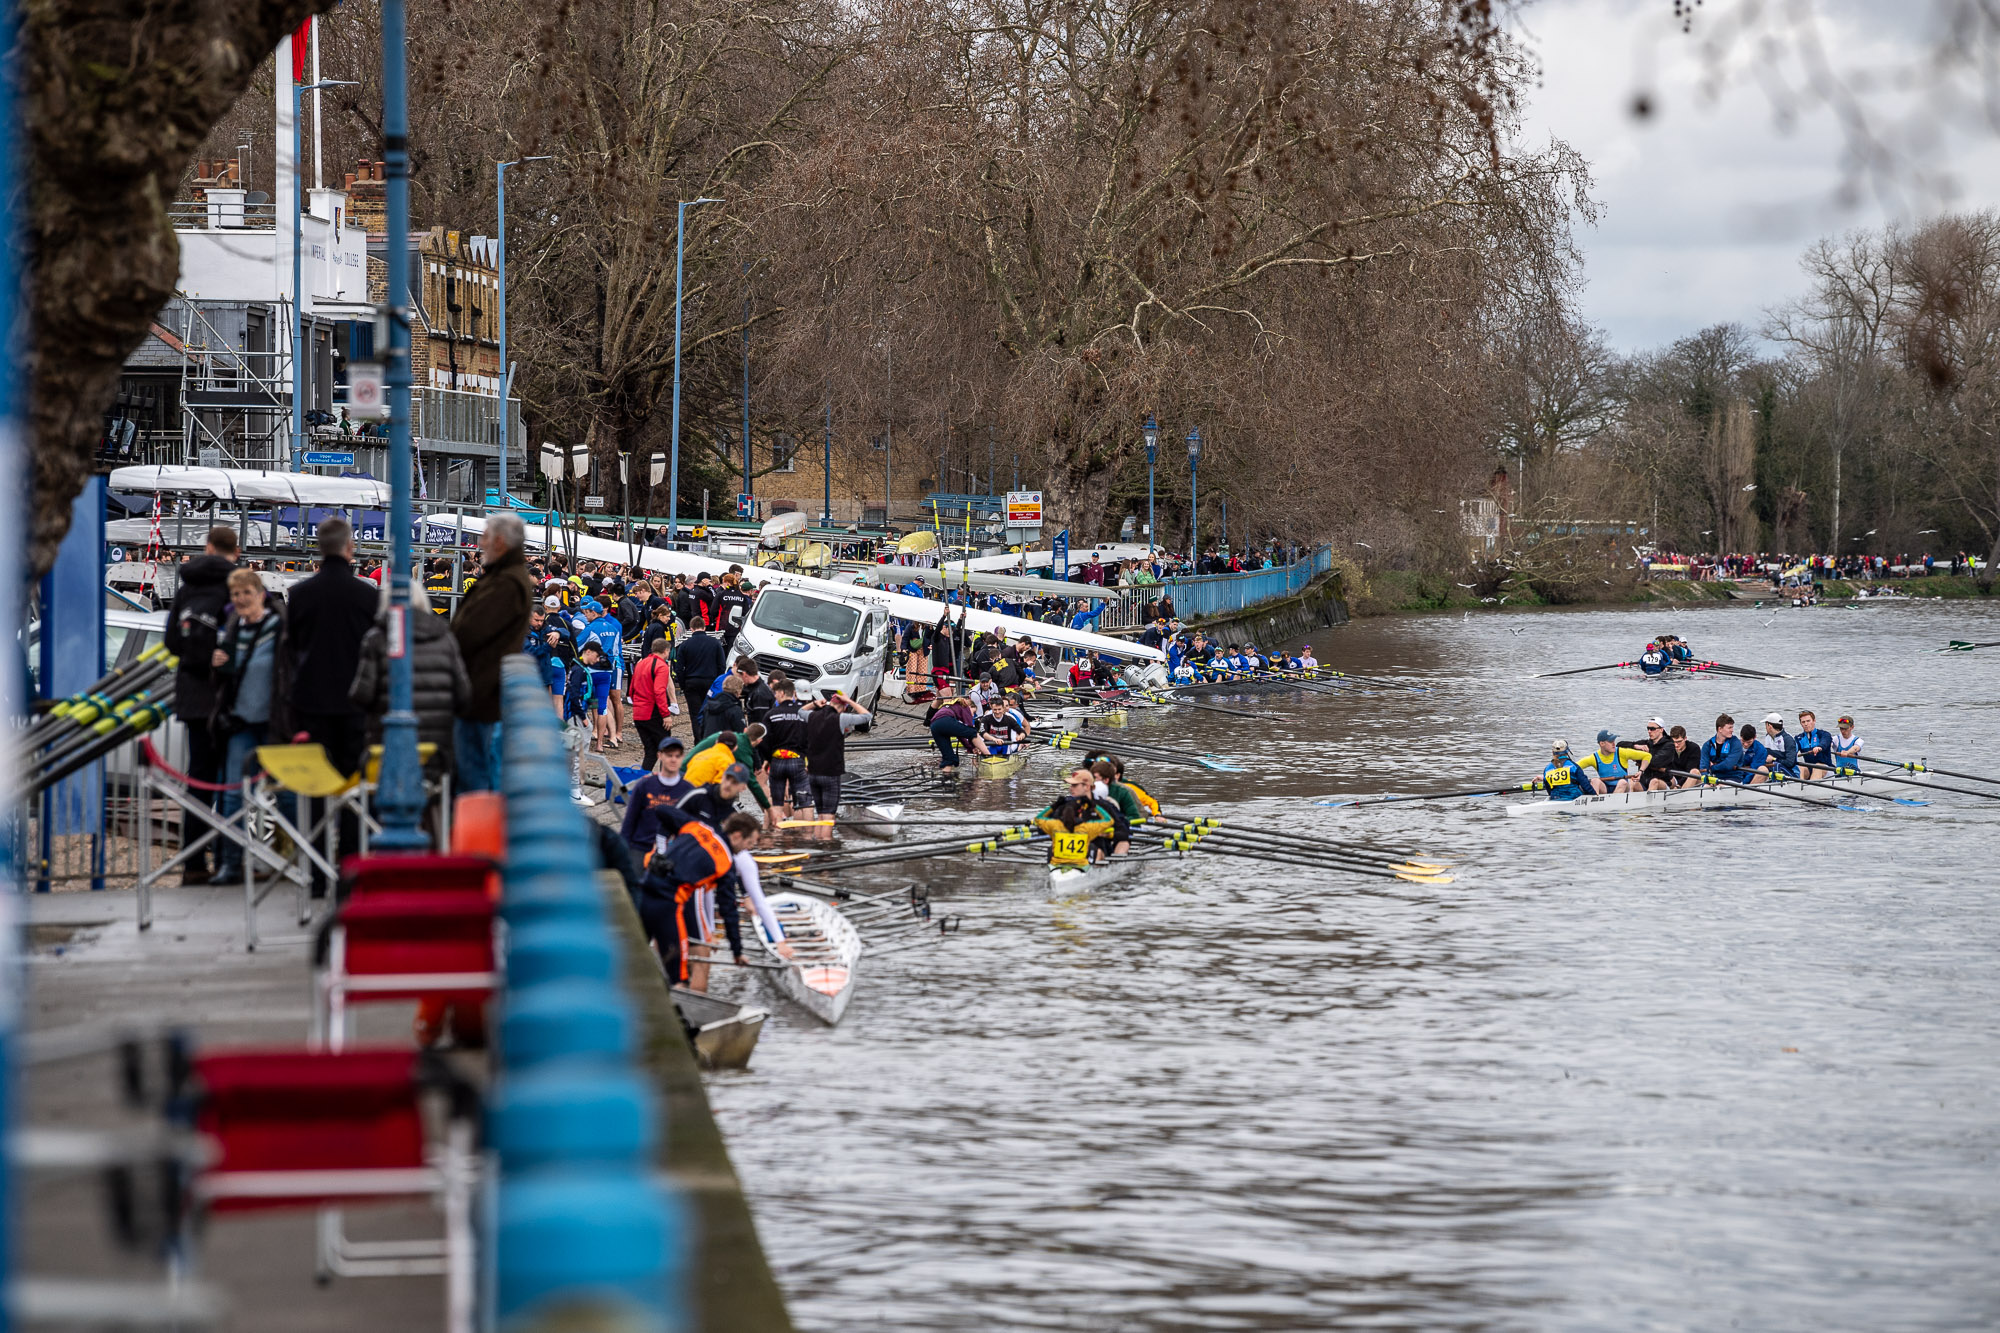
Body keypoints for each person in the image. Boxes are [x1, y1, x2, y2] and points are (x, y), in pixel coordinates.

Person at [284, 518, 379, 894]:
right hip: (355, 705)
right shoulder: (367, 596)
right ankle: (351, 868)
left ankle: (318, 872)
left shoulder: (302, 594)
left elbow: (292, 649)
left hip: (312, 704)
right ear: (349, 548)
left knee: (315, 790)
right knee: (355, 792)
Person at [162, 525, 240, 884]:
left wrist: (197, 658)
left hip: (193, 696)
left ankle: (192, 862)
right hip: (228, 698)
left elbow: (171, 641)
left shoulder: (187, 587)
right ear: (235, 552)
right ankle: (228, 860)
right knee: (230, 782)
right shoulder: (237, 586)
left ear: (208, 547)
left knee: (198, 780)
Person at [208, 569, 290, 884]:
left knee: (285, 795)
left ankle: (290, 860)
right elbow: (225, 679)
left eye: (246, 593)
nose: (241, 600)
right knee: (232, 794)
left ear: (259, 594)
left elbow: (287, 673)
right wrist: (217, 666)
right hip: (240, 721)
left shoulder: (279, 628)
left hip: (273, 724)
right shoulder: (232, 628)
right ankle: (231, 863)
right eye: (236, 595)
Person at [449, 512, 534, 792]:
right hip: (482, 690)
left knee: (475, 777)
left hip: (481, 692)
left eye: (484, 537)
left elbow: (471, 631)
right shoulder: (505, 577)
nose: (480, 544)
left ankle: (478, 834)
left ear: (499, 542)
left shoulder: (506, 583)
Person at [349, 582, 470, 768]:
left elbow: (362, 695)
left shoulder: (376, 639)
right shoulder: (446, 639)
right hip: (436, 750)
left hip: (385, 746)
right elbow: (463, 695)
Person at [635, 809, 760, 989]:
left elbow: (662, 810)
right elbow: (728, 910)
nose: (748, 848)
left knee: (633, 951)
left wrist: (665, 849)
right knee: (678, 975)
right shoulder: (726, 864)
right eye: (749, 843)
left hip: (644, 889)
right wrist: (737, 951)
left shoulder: (697, 827)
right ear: (737, 836)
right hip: (667, 905)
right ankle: (680, 1012)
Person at [803, 690, 870, 840]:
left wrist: (814, 704)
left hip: (812, 774)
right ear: (843, 707)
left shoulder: (811, 716)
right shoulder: (841, 719)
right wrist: (850, 701)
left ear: (829, 703)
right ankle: (826, 847)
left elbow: (800, 712)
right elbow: (867, 716)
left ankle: (818, 845)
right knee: (828, 815)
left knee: (820, 813)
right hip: (830, 774)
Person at [619, 737, 691, 862]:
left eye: (677, 756)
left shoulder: (688, 789)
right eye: (669, 755)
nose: (673, 759)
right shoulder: (644, 785)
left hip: (672, 851)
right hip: (641, 847)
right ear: (660, 756)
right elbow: (630, 820)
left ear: (682, 758)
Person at [1030, 768, 1122, 865]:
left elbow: (1122, 830)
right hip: (1066, 852)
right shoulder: (1065, 805)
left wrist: (1109, 834)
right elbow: (1041, 829)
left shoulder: (1105, 806)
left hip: (1096, 850)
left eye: (1074, 785)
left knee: (1097, 851)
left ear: (1086, 787)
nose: (1070, 788)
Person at [761, 676, 809, 825]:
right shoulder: (803, 713)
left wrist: (767, 760)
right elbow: (810, 739)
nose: (775, 696)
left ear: (781, 693)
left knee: (777, 803)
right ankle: (803, 837)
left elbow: (764, 741)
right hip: (798, 761)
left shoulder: (771, 715)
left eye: (776, 693)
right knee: (801, 803)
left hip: (777, 762)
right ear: (793, 693)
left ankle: (775, 839)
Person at [628, 636, 678, 772]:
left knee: (650, 751)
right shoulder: (661, 666)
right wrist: (665, 714)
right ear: (666, 651)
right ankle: (665, 781)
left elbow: (631, 689)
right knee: (667, 748)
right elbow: (659, 692)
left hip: (639, 712)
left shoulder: (641, 663)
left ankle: (642, 780)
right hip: (652, 712)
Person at [672, 625, 726, 737]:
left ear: (691, 628)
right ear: (704, 627)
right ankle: (708, 738)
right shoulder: (715, 643)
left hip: (691, 682)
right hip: (710, 682)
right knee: (710, 712)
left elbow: (678, 668)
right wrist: (717, 682)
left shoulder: (685, 644)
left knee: (695, 714)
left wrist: (683, 684)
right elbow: (722, 665)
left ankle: (698, 740)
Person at [926, 693, 989, 771]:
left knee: (948, 759)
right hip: (945, 720)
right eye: (974, 712)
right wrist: (974, 748)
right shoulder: (965, 706)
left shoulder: (952, 706)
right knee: (973, 732)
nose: (973, 715)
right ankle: (988, 756)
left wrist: (970, 748)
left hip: (934, 726)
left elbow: (961, 735)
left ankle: (945, 778)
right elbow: (970, 729)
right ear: (970, 706)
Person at [1578, 729, 1650, 794]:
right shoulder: (1594, 758)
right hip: (1606, 787)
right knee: (1595, 781)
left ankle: (1612, 805)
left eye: (1614, 741)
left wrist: (1641, 771)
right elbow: (1574, 767)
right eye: (1610, 742)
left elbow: (1647, 756)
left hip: (1625, 787)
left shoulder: (1622, 752)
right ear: (1602, 744)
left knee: (1622, 782)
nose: (1614, 744)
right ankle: (1594, 804)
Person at [1640, 720, 1700, 790]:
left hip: (1689, 779)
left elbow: (1689, 771)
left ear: (1685, 738)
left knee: (1695, 771)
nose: (1676, 745)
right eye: (1674, 742)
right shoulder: (1668, 747)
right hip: (1673, 779)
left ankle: (1681, 797)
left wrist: (1679, 786)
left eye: (1679, 742)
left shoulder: (1694, 748)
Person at [1700, 713, 1747, 783]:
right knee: (1706, 786)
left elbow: (1728, 765)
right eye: (1729, 728)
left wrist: (1712, 768)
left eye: (1732, 727)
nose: (1732, 730)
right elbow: (1704, 767)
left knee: (1720, 787)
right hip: (1714, 778)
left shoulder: (1736, 743)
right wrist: (1706, 778)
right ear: (1720, 729)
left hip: (1733, 778)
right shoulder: (1707, 745)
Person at [1761, 712, 1801, 782]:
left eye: (1765, 724)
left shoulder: (1788, 740)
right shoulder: (1767, 737)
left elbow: (1790, 763)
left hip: (1791, 773)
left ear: (1769, 726)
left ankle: (1774, 787)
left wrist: (1773, 759)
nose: (1765, 727)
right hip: (1775, 771)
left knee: (1776, 765)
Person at [1797, 710, 1835, 780]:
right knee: (1800, 767)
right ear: (1801, 724)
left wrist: (1819, 747)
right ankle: (1799, 787)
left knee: (1817, 767)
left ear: (1814, 721)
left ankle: (1811, 789)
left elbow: (1825, 742)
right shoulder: (1799, 738)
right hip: (1809, 768)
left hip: (1827, 769)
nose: (1806, 724)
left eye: (1808, 721)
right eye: (1803, 722)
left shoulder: (1824, 734)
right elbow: (1793, 748)